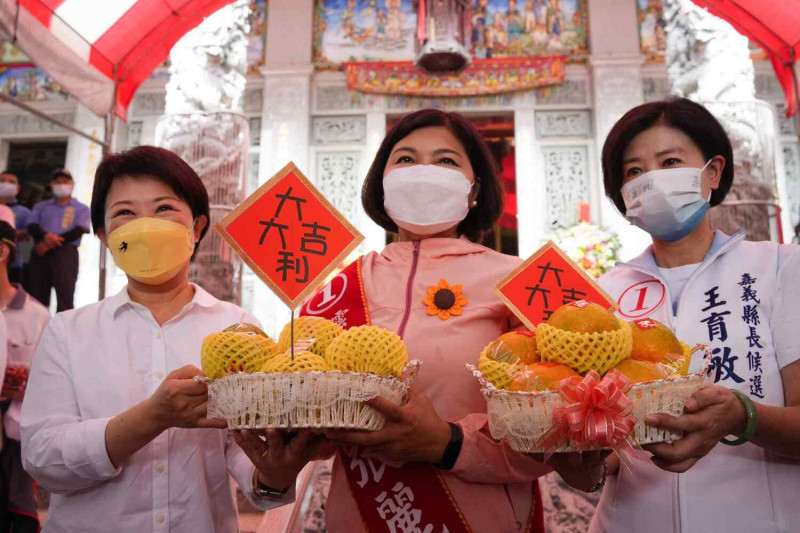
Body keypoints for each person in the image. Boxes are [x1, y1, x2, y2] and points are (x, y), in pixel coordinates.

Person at [299, 109, 606, 533]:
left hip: (483, 517)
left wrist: (451, 444)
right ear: (382, 183)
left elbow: (563, 414)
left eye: (445, 161)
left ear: (474, 188)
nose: (423, 172)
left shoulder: (524, 279)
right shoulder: (347, 282)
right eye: (405, 160)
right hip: (359, 513)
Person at [20, 146, 330, 532]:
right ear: (104, 236)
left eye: (164, 208)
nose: (146, 224)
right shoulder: (67, 330)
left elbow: (246, 456)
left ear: (197, 228)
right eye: (125, 213)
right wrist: (152, 418)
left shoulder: (238, 328)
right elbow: (43, 457)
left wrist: (274, 472)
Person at [591, 97, 800, 532]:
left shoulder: (781, 268)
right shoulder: (603, 296)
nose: (652, 180)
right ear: (622, 195)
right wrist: (577, 456)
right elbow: (607, 454)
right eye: (634, 172)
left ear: (713, 172)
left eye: (670, 161)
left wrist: (744, 416)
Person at [0, 220, 48, 532]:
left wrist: (23, 386)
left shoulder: (37, 316)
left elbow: (50, 385)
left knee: (17, 520)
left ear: (2, 251)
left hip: (15, 442)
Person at [25, 169, 90, 311]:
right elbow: (32, 226)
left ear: (72, 184)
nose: (61, 185)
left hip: (65, 253)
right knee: (36, 297)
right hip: (40, 253)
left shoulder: (81, 208)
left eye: (65, 181)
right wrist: (45, 237)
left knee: (65, 296)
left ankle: (63, 331)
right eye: (57, 182)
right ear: (51, 184)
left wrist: (49, 242)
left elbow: (80, 229)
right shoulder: (41, 206)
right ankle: (37, 331)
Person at [0, 172, 31, 284]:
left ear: (18, 188)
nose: (6, 184)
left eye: (11, 182)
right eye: (2, 180)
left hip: (12, 264)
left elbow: (28, 236)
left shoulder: (24, 212)